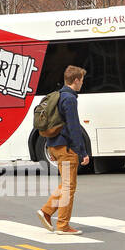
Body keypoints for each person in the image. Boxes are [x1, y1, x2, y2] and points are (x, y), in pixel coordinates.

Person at [37, 65, 91, 235]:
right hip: (66, 149)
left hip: (54, 145)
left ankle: (47, 212)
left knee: (66, 184)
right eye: (81, 80)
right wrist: (82, 152)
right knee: (69, 186)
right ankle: (62, 225)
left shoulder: (59, 95)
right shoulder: (69, 99)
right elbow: (74, 128)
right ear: (76, 80)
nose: (82, 83)